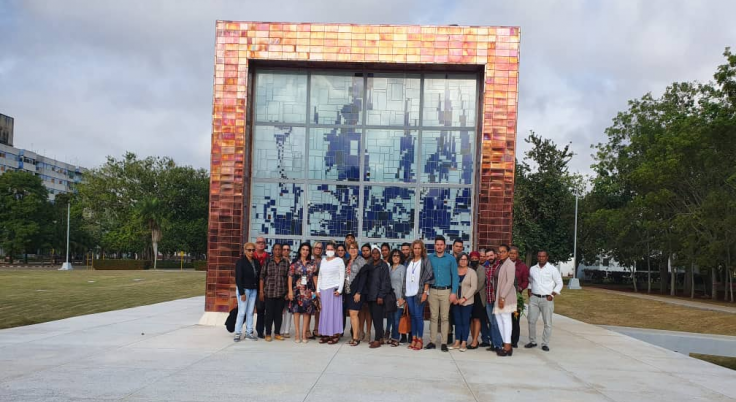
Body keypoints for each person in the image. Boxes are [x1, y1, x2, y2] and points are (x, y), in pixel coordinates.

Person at [426, 235, 458, 352]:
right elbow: (426, 275)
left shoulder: (451, 259)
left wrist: (453, 292)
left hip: (446, 291)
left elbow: (455, 277)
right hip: (433, 290)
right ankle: (432, 341)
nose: (439, 246)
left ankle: (444, 342)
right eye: (437, 244)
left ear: (445, 246)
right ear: (434, 246)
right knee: (433, 317)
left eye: (441, 244)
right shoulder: (429, 258)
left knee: (444, 318)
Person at [525, 250, 563, 352]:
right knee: (531, 320)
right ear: (537, 257)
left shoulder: (552, 269)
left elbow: (559, 283)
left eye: (543, 256)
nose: (541, 258)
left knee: (547, 323)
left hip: (547, 299)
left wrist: (552, 295)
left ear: (547, 257)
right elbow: (531, 281)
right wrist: (529, 291)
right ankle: (532, 341)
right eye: (539, 256)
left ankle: (545, 343)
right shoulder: (533, 269)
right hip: (534, 298)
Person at [356, 247, 392, 348]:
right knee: (374, 318)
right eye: (373, 253)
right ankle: (380, 338)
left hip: (378, 297)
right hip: (370, 296)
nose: (375, 255)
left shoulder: (383, 265)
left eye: (377, 253)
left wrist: (381, 295)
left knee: (378, 318)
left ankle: (377, 340)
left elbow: (385, 281)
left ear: (380, 254)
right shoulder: (370, 265)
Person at [405, 240, 434, 350]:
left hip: (419, 293)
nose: (417, 250)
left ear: (422, 249)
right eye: (415, 248)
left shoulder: (425, 261)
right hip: (408, 293)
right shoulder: (408, 261)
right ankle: (413, 338)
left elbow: (428, 277)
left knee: (418, 316)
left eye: (419, 248)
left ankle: (420, 339)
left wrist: (425, 293)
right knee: (412, 316)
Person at [288, 242, 318, 344]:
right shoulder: (295, 263)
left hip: (308, 291)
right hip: (297, 291)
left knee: (307, 313)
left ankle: (304, 334)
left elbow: (314, 277)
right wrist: (290, 291)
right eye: (303, 249)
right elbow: (290, 277)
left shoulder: (312, 263)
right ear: (300, 250)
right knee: (296, 312)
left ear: (309, 252)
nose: (305, 251)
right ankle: (297, 333)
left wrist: (317, 290)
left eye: (307, 250)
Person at [259, 243, 289, 342]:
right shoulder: (267, 261)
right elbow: (262, 277)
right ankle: (268, 333)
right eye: (275, 249)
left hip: (281, 293)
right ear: (272, 250)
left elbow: (288, 278)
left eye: (279, 249)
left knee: (278, 314)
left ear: (282, 251)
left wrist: (288, 292)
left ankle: (277, 333)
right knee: (269, 314)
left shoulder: (285, 262)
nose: (277, 251)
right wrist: (261, 292)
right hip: (269, 293)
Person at [316, 241, 345, 345]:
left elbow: (342, 276)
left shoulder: (339, 261)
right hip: (323, 290)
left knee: (334, 313)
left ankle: (335, 334)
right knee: (325, 313)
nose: (329, 251)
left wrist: (340, 290)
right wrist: (318, 289)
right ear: (325, 250)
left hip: (334, 290)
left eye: (331, 249)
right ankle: (326, 334)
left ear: (335, 250)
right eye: (328, 249)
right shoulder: (323, 261)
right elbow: (320, 275)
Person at [450, 252, 477, 352]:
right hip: (456, 301)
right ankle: (457, 341)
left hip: (467, 302)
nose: (463, 261)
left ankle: (464, 342)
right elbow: (452, 284)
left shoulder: (471, 272)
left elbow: (474, 287)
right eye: (461, 259)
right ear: (458, 261)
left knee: (465, 322)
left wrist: (464, 298)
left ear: (468, 261)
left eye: (465, 259)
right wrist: (455, 299)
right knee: (457, 322)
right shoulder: (455, 271)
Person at [234, 242, 261, 342]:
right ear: (245, 251)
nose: (251, 252)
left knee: (250, 312)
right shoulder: (240, 262)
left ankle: (249, 332)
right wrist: (241, 292)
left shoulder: (256, 262)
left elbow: (258, 277)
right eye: (249, 250)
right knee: (242, 312)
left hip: (253, 290)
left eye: (253, 250)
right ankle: (238, 332)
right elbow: (238, 278)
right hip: (244, 290)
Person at [494, 244, 517, 356]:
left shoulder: (510, 264)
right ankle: (505, 344)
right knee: (499, 319)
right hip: (499, 296)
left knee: (506, 319)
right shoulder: (501, 264)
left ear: (508, 253)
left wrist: (502, 297)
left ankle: (508, 346)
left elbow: (510, 281)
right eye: (499, 251)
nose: (501, 253)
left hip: (506, 296)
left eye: (503, 251)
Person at [345, 243, 367, 346]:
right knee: (352, 315)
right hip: (348, 292)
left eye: (355, 248)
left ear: (357, 250)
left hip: (356, 292)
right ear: (348, 250)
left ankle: (356, 337)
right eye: (351, 248)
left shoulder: (361, 261)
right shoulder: (348, 261)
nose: (353, 250)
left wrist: (359, 292)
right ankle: (354, 335)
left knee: (354, 315)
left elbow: (363, 279)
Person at [468, 251, 490, 349]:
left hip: (478, 297)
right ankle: (473, 339)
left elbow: (480, 284)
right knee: (471, 319)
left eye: (476, 259)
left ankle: (475, 340)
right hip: (468, 297)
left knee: (477, 318)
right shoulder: (467, 268)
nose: (474, 260)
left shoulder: (482, 269)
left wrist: (469, 292)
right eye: (472, 259)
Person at [509, 246, 529, 348]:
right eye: (510, 253)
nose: (512, 255)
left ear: (517, 254)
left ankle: (514, 340)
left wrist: (521, 288)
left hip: (516, 296)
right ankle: (506, 339)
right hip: (505, 296)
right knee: (506, 319)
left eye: (514, 253)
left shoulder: (522, 267)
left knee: (515, 319)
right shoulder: (504, 264)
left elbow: (526, 281)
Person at [385, 249, 406, 347]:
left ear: (400, 258)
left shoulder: (402, 268)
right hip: (390, 299)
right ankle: (393, 337)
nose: (396, 257)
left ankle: (396, 339)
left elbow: (404, 284)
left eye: (398, 256)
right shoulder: (389, 268)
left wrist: (402, 297)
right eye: (394, 256)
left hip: (399, 298)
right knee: (392, 319)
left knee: (397, 319)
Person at [484, 247, 504, 351]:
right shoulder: (486, 267)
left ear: (495, 255)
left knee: (497, 323)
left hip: (497, 299)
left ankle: (499, 345)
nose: (489, 258)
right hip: (488, 299)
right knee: (491, 323)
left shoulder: (500, 267)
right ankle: (493, 344)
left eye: (491, 255)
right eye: (487, 256)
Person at [254, 237, 270, 338]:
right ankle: (235, 325)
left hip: (264, 287)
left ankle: (260, 331)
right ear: (256, 244)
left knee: (261, 309)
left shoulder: (268, 257)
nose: (260, 244)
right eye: (258, 242)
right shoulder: (251, 255)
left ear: (265, 245)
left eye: (262, 243)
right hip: (250, 286)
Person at [358, 243, 373, 341]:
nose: (365, 252)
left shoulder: (373, 261)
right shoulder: (359, 260)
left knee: (369, 311)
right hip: (361, 289)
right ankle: (361, 331)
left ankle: (368, 332)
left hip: (370, 289)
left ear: (370, 251)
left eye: (367, 250)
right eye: (363, 250)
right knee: (361, 311)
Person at [309, 241, 324, 339]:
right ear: (313, 249)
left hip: (320, 287)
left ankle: (316, 329)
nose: (318, 249)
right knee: (309, 309)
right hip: (309, 287)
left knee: (318, 309)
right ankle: (306, 330)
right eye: (316, 248)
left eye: (320, 248)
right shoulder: (309, 259)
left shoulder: (324, 260)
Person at [280, 244, 293, 338]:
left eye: (288, 249)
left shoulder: (293, 262)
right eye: (284, 249)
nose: (286, 251)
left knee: (288, 310)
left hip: (290, 289)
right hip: (280, 289)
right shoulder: (277, 261)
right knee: (280, 310)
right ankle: (280, 330)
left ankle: (287, 330)